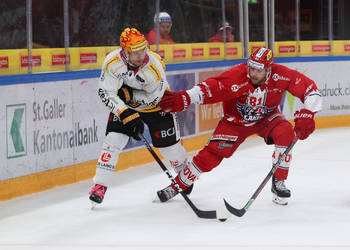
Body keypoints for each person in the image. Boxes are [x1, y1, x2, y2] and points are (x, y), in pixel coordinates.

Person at [157, 47, 322, 205]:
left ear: (268, 69)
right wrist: (184, 98)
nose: (254, 73)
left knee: (285, 132)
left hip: (267, 118)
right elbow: (210, 88)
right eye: (252, 68)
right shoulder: (237, 75)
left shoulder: (282, 75)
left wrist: (309, 113)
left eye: (259, 70)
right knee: (210, 156)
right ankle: (178, 185)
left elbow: (310, 90)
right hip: (234, 122)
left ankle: (278, 181)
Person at [89, 27, 189, 205]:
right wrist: (125, 112)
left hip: (157, 106)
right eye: (135, 52)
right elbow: (106, 93)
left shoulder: (155, 66)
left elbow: (154, 98)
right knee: (113, 140)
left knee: (169, 149)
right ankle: (100, 185)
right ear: (124, 52)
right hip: (128, 106)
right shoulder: (112, 62)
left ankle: (184, 175)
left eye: (143, 50)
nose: (140, 55)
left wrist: (129, 95)